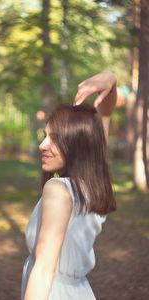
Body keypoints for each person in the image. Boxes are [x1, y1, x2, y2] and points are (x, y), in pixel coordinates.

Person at [21, 71, 117, 300]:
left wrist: (111, 79)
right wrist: (111, 80)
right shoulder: (93, 184)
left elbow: (44, 269)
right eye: (45, 135)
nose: (43, 145)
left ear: (78, 144)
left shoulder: (59, 190)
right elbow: (106, 113)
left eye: (55, 138)